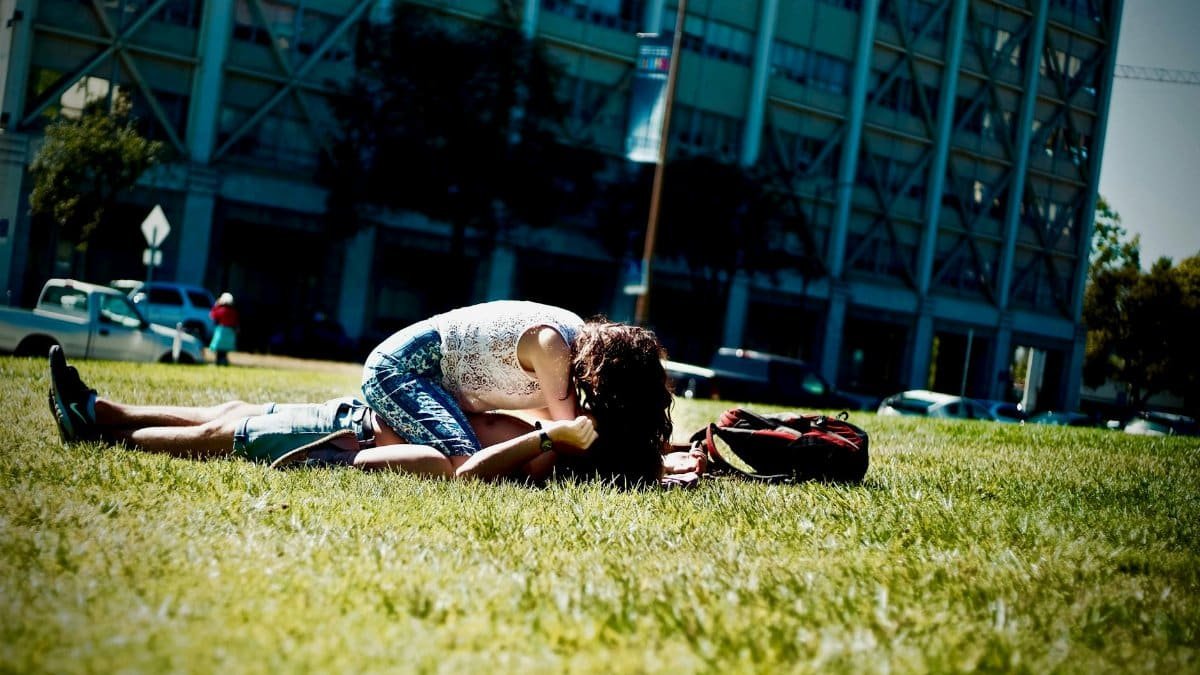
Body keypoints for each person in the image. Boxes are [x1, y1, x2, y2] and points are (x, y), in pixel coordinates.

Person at [45, 346, 705, 485]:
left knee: (229, 434)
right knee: (231, 409)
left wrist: (545, 433)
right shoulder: (579, 434)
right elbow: (647, 460)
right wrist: (675, 459)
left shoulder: (559, 450)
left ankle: (100, 432)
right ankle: (104, 410)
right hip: (362, 413)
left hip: (350, 434)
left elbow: (465, 472)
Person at [361, 300, 677, 486]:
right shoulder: (553, 346)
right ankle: (340, 459)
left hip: (435, 382)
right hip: (398, 372)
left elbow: (562, 424)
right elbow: (571, 438)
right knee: (467, 465)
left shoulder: (574, 341)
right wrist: (657, 461)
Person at [208, 292, 239, 366]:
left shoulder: (221, 310)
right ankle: (223, 362)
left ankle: (219, 362)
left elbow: (212, 315)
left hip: (221, 331)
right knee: (224, 351)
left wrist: (216, 305)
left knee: (219, 350)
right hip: (230, 331)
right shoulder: (234, 311)